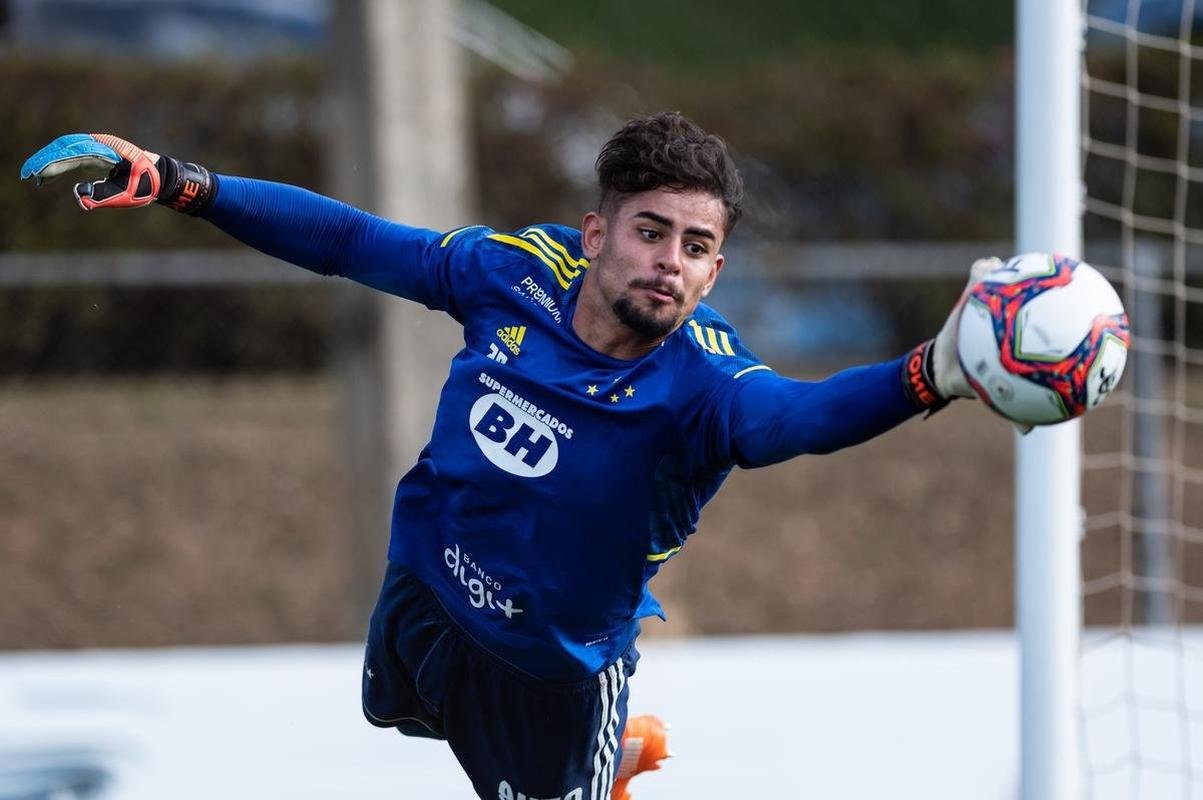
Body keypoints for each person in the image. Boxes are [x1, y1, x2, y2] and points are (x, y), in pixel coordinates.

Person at [21, 113, 983, 800]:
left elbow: (801, 419)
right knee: (391, 715)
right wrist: (187, 184)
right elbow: (356, 242)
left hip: (550, 675)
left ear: (714, 270)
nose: (668, 263)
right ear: (597, 233)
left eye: (695, 247)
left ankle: (598, 771)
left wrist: (929, 372)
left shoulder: (706, 383)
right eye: (650, 232)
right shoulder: (512, 271)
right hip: (424, 592)